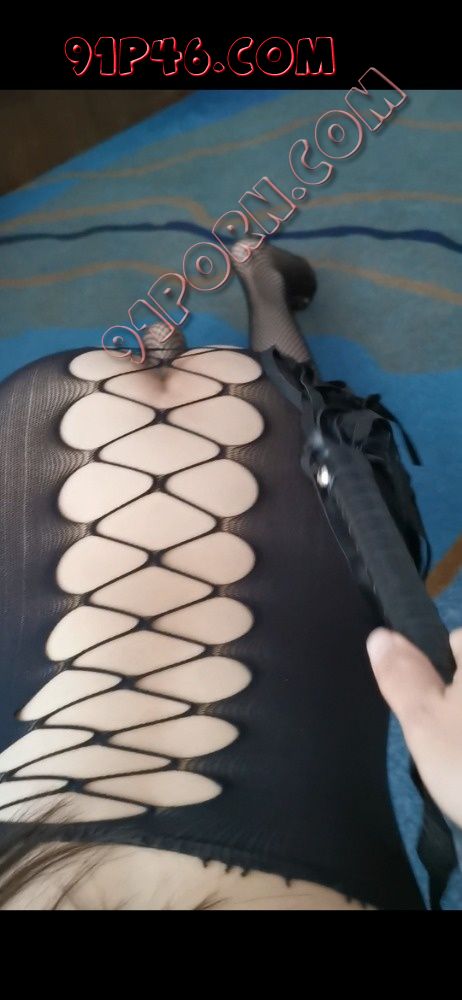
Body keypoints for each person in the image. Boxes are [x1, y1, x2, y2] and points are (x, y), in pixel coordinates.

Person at [0, 245, 459, 910]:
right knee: (255, 411)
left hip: (105, 421)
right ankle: (233, 310)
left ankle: (255, 293)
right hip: (63, 413)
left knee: (290, 414)